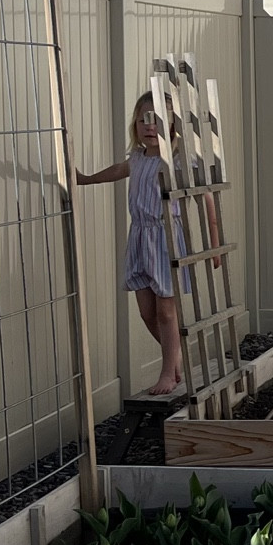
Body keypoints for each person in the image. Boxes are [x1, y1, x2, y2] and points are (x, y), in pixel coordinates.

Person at [77, 94, 185, 396]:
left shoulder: (174, 161)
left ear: (173, 126)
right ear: (135, 125)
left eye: (158, 120)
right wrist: (84, 180)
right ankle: (175, 356)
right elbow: (116, 171)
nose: (150, 127)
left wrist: (214, 237)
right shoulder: (137, 159)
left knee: (166, 312)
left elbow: (203, 197)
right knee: (147, 312)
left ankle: (168, 373)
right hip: (138, 237)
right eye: (143, 120)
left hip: (164, 238)